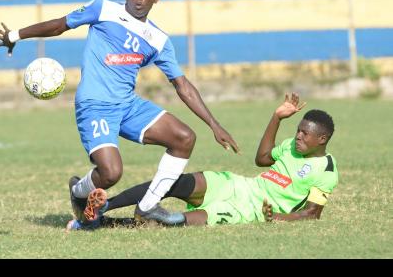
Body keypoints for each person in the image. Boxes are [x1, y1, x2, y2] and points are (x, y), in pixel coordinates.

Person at [0, 0, 239, 230]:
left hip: (129, 106)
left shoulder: (159, 40)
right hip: (95, 104)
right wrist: (15, 35)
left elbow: (182, 85)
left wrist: (214, 124)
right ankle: (78, 192)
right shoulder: (102, 9)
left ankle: (148, 207)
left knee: (184, 138)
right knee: (110, 173)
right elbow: (59, 25)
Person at [91, 93, 338, 228]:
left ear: (322, 138)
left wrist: (276, 217)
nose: (298, 136)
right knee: (173, 182)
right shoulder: (290, 147)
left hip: (249, 210)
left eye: (305, 134)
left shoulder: (326, 170)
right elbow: (262, 159)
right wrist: (277, 117)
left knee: (173, 221)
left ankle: (107, 223)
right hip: (238, 185)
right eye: (298, 130)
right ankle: (104, 205)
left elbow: (312, 214)